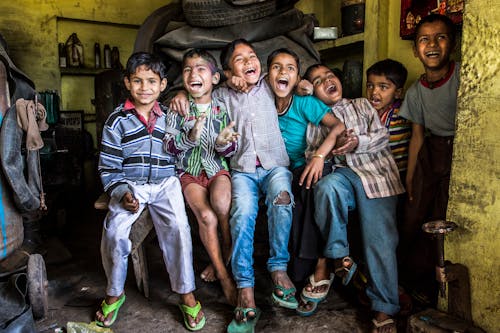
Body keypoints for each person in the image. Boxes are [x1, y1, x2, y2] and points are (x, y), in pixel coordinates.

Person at [169, 39, 297, 333]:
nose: (249, 61)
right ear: (227, 71)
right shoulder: (222, 96)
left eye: (252, 56)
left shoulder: (268, 84)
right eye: (239, 60)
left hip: (275, 165)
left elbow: (290, 79)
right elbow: (198, 92)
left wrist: (301, 84)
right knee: (241, 213)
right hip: (241, 170)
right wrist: (182, 91)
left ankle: (278, 269)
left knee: (282, 198)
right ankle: (245, 287)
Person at [96, 52, 205, 331]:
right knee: (114, 233)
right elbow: (108, 166)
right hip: (131, 185)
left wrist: (192, 134)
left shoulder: (170, 117)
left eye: (151, 81)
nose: (144, 87)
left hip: (166, 182)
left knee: (179, 229)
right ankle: (114, 292)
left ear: (162, 85)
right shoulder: (116, 121)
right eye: (138, 81)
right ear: (127, 83)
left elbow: (180, 151)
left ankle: (186, 293)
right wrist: (121, 193)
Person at [298, 64, 405, 333]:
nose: (326, 81)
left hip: (377, 177)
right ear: (313, 93)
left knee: (380, 238)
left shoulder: (362, 104)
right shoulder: (316, 120)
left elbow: (381, 136)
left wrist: (356, 142)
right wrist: (331, 148)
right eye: (318, 81)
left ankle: (384, 307)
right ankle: (338, 256)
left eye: (329, 76)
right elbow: (311, 156)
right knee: (326, 188)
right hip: (344, 174)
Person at [264, 48, 346, 296]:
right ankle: (303, 270)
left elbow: (338, 126)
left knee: (307, 188)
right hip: (273, 170)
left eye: (290, 68)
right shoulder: (260, 98)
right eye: (277, 67)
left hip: (302, 165)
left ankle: (314, 266)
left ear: (298, 77)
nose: (283, 72)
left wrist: (319, 156)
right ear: (267, 74)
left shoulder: (303, 102)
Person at [164, 48, 238, 305]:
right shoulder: (177, 108)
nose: (193, 73)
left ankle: (226, 248)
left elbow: (230, 146)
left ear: (215, 78)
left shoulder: (222, 107)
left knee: (220, 204)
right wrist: (189, 138)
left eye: (200, 69)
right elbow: (169, 146)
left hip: (216, 167)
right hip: (189, 174)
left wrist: (222, 143)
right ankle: (223, 274)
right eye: (187, 69)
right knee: (206, 216)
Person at [398, 14, 460, 305]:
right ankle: (414, 284)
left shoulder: (463, 76)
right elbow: (418, 137)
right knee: (414, 216)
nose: (432, 45)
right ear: (415, 50)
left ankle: (440, 291)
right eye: (424, 39)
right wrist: (411, 178)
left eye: (441, 37)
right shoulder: (415, 92)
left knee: (443, 214)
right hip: (429, 153)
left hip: (458, 152)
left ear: (453, 43)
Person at [366, 58, 411, 179]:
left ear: (398, 93)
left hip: (398, 175)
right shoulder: (365, 113)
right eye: (370, 85)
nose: (374, 92)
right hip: (373, 174)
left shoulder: (404, 113)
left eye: (383, 87)